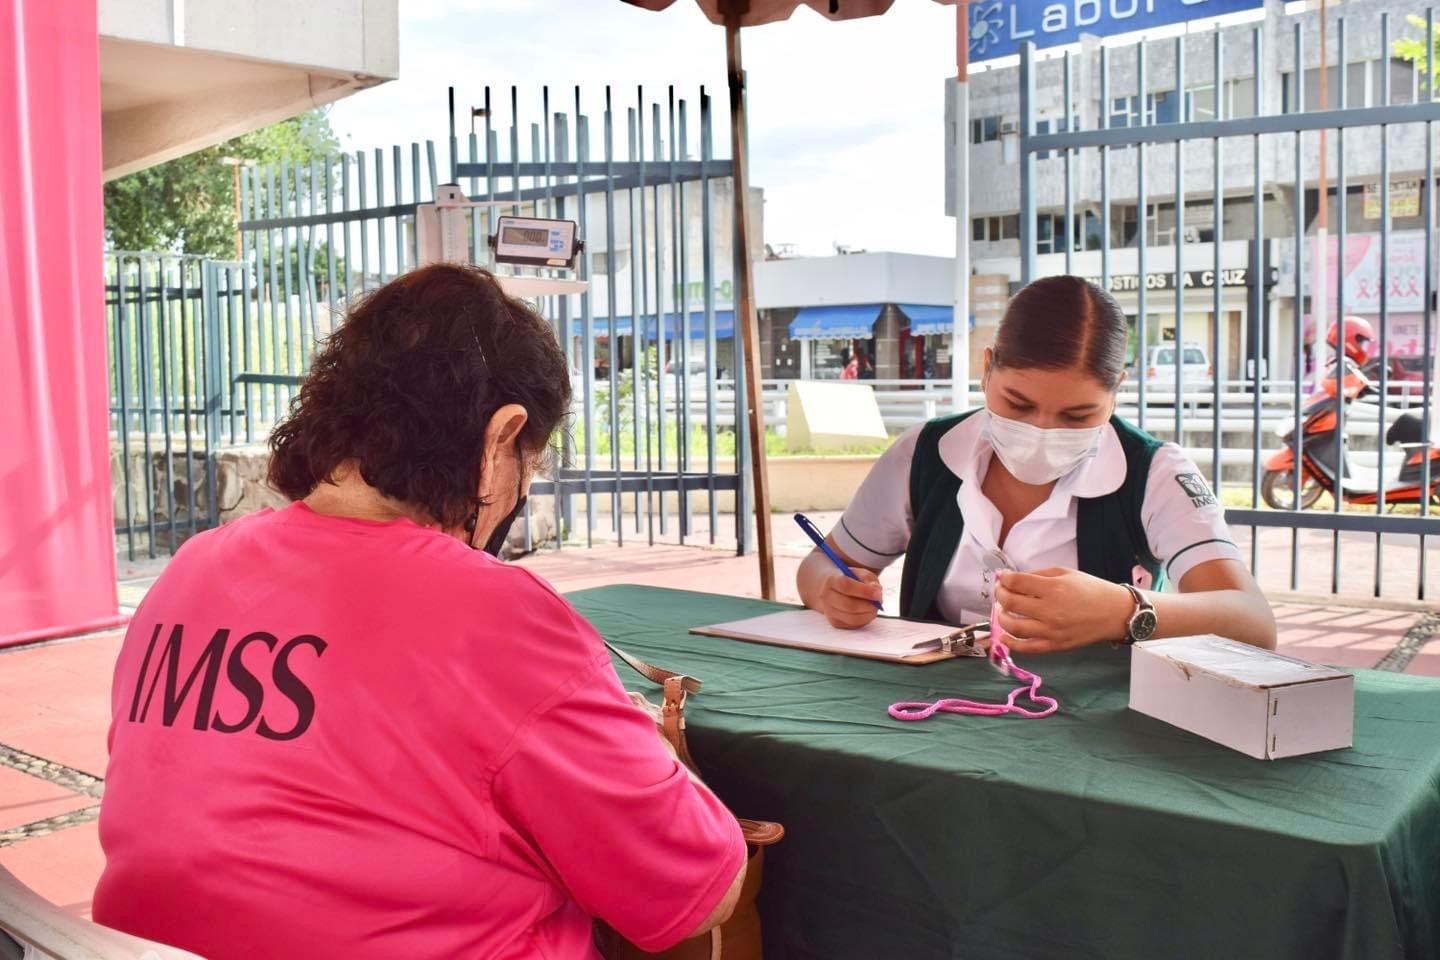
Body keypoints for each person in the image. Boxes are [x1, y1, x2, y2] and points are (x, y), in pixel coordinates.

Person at [94, 264, 746, 959]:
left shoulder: (194, 566)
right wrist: (660, 758)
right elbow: (697, 893)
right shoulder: (492, 610)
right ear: (502, 439)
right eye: (534, 464)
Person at [797, 275, 1276, 653]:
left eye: (1077, 414)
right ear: (986, 369)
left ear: (1117, 391)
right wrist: (831, 591)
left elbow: (1252, 623)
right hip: (929, 710)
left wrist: (1123, 611)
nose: (1043, 431)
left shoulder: (1155, 473)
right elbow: (823, 563)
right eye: (1017, 404)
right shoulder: (924, 453)